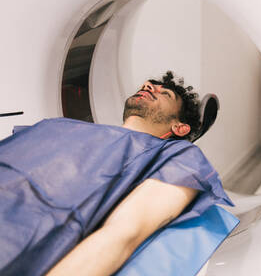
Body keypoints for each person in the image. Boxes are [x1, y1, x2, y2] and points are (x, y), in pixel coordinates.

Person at [0, 71, 232, 276]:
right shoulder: (60, 126)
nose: (148, 86)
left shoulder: (177, 156)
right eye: (149, 85)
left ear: (180, 127)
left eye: (165, 93)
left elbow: (123, 235)